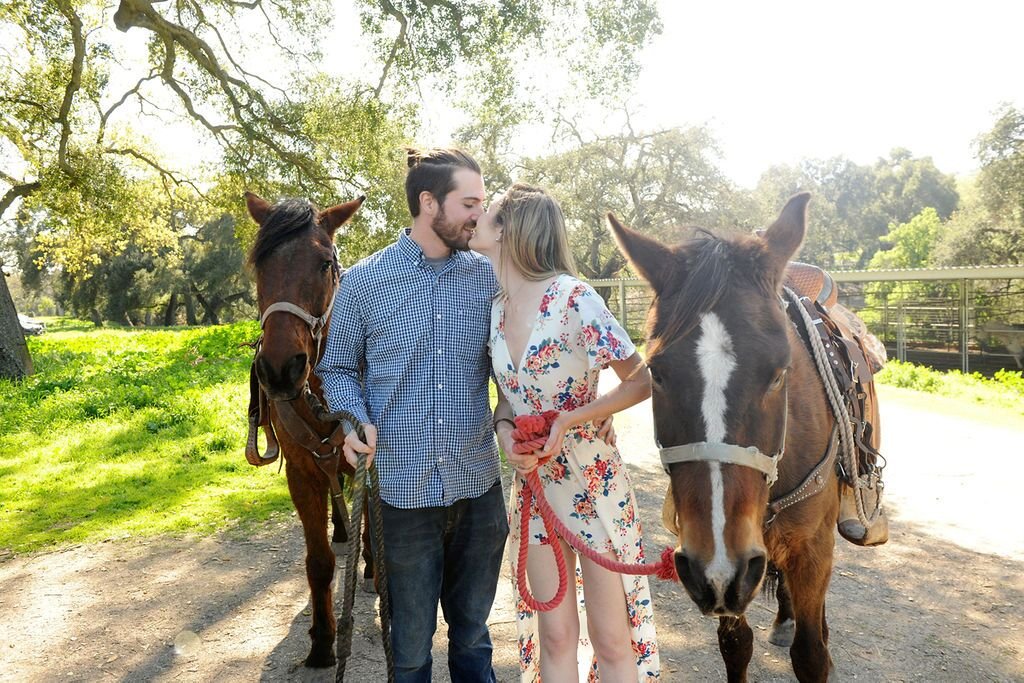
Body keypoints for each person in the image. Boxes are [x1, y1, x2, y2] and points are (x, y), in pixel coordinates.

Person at [317, 148, 511, 682]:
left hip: (478, 489)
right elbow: (336, 370)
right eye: (469, 203)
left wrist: (525, 414)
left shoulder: (488, 280)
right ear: (429, 203)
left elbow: (515, 368)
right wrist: (354, 421)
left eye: (483, 202)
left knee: (474, 639)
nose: (480, 214)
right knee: (409, 653)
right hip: (402, 497)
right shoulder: (363, 282)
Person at [468, 183, 660, 681]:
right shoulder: (497, 308)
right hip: (535, 488)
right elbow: (510, 395)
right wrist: (506, 432)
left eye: (486, 213)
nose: (477, 219)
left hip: (593, 483)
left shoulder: (575, 299)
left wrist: (569, 420)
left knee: (611, 637)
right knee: (554, 634)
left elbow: (642, 381)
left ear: (509, 229)